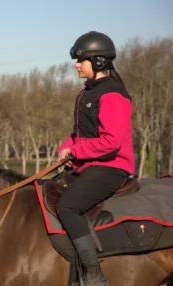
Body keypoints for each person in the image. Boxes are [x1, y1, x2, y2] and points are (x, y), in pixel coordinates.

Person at [57, 31, 135, 286]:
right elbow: (80, 133)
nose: (76, 65)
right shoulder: (86, 93)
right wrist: (66, 147)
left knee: (68, 206)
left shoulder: (112, 94)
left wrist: (76, 151)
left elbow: (110, 141)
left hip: (111, 167)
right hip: (89, 165)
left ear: (99, 62)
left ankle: (93, 274)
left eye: (81, 60)